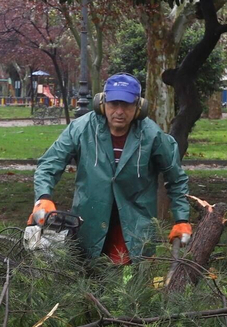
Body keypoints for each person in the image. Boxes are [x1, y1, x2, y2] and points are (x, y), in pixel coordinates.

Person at [29, 73, 191, 264]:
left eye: (127, 104)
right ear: (102, 103)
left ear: (139, 106)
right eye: (114, 104)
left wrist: (182, 219)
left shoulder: (152, 135)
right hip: (89, 220)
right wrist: (43, 198)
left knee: (130, 284)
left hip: (135, 224)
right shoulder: (81, 129)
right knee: (88, 278)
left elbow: (176, 178)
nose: (120, 111)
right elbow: (49, 164)